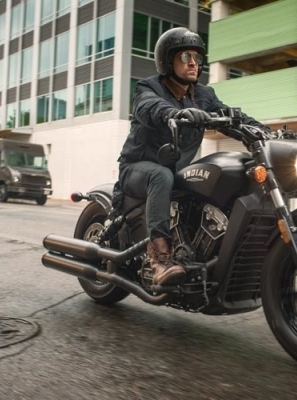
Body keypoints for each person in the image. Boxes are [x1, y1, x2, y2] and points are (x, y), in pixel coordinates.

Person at [116, 27, 269, 287]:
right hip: (138, 169)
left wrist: (264, 132)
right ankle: (160, 259)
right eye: (186, 56)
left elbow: (231, 117)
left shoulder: (204, 96)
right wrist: (174, 113)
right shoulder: (148, 87)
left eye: (197, 58)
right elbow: (148, 106)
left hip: (175, 172)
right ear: (167, 60)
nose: (193, 63)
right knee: (160, 174)